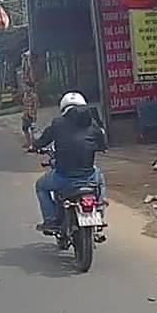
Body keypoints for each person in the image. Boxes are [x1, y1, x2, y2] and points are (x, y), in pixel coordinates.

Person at [30, 91, 108, 233]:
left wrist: (34, 146)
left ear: (63, 107)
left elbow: (42, 141)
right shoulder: (93, 123)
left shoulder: (57, 123)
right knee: (100, 179)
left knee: (40, 186)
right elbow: (103, 145)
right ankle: (100, 211)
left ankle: (51, 220)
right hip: (89, 177)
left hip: (64, 178)